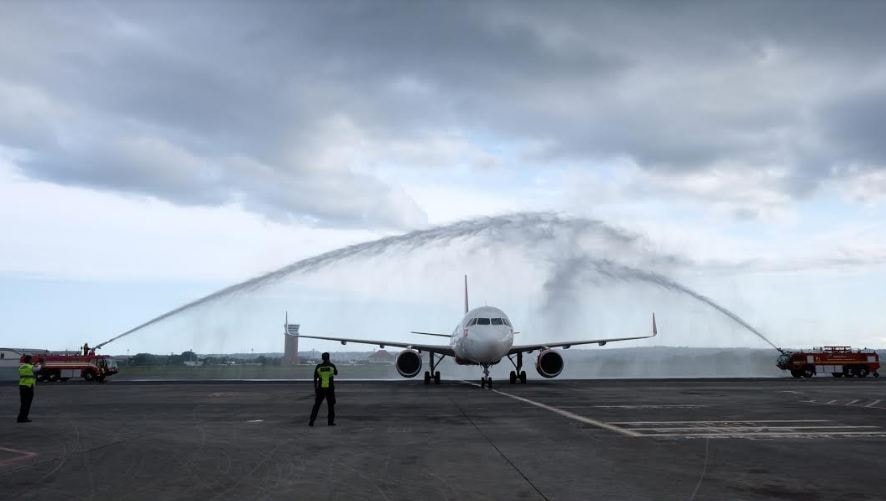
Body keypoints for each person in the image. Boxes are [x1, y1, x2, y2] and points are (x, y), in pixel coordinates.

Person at [309, 352, 337, 426]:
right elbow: (336, 373)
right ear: (328, 358)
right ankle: (330, 422)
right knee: (331, 406)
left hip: (320, 389)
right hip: (330, 389)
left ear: (322, 358)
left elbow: (315, 378)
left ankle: (312, 420)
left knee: (317, 405)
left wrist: (315, 388)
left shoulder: (318, 367)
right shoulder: (332, 366)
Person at [18, 355, 37, 423]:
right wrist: (41, 363)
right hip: (28, 386)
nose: (32, 361)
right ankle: (24, 418)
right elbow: (38, 369)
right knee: (27, 404)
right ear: (29, 360)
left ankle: (20, 418)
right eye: (31, 360)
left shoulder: (21, 367)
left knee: (23, 403)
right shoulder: (31, 367)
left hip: (21, 386)